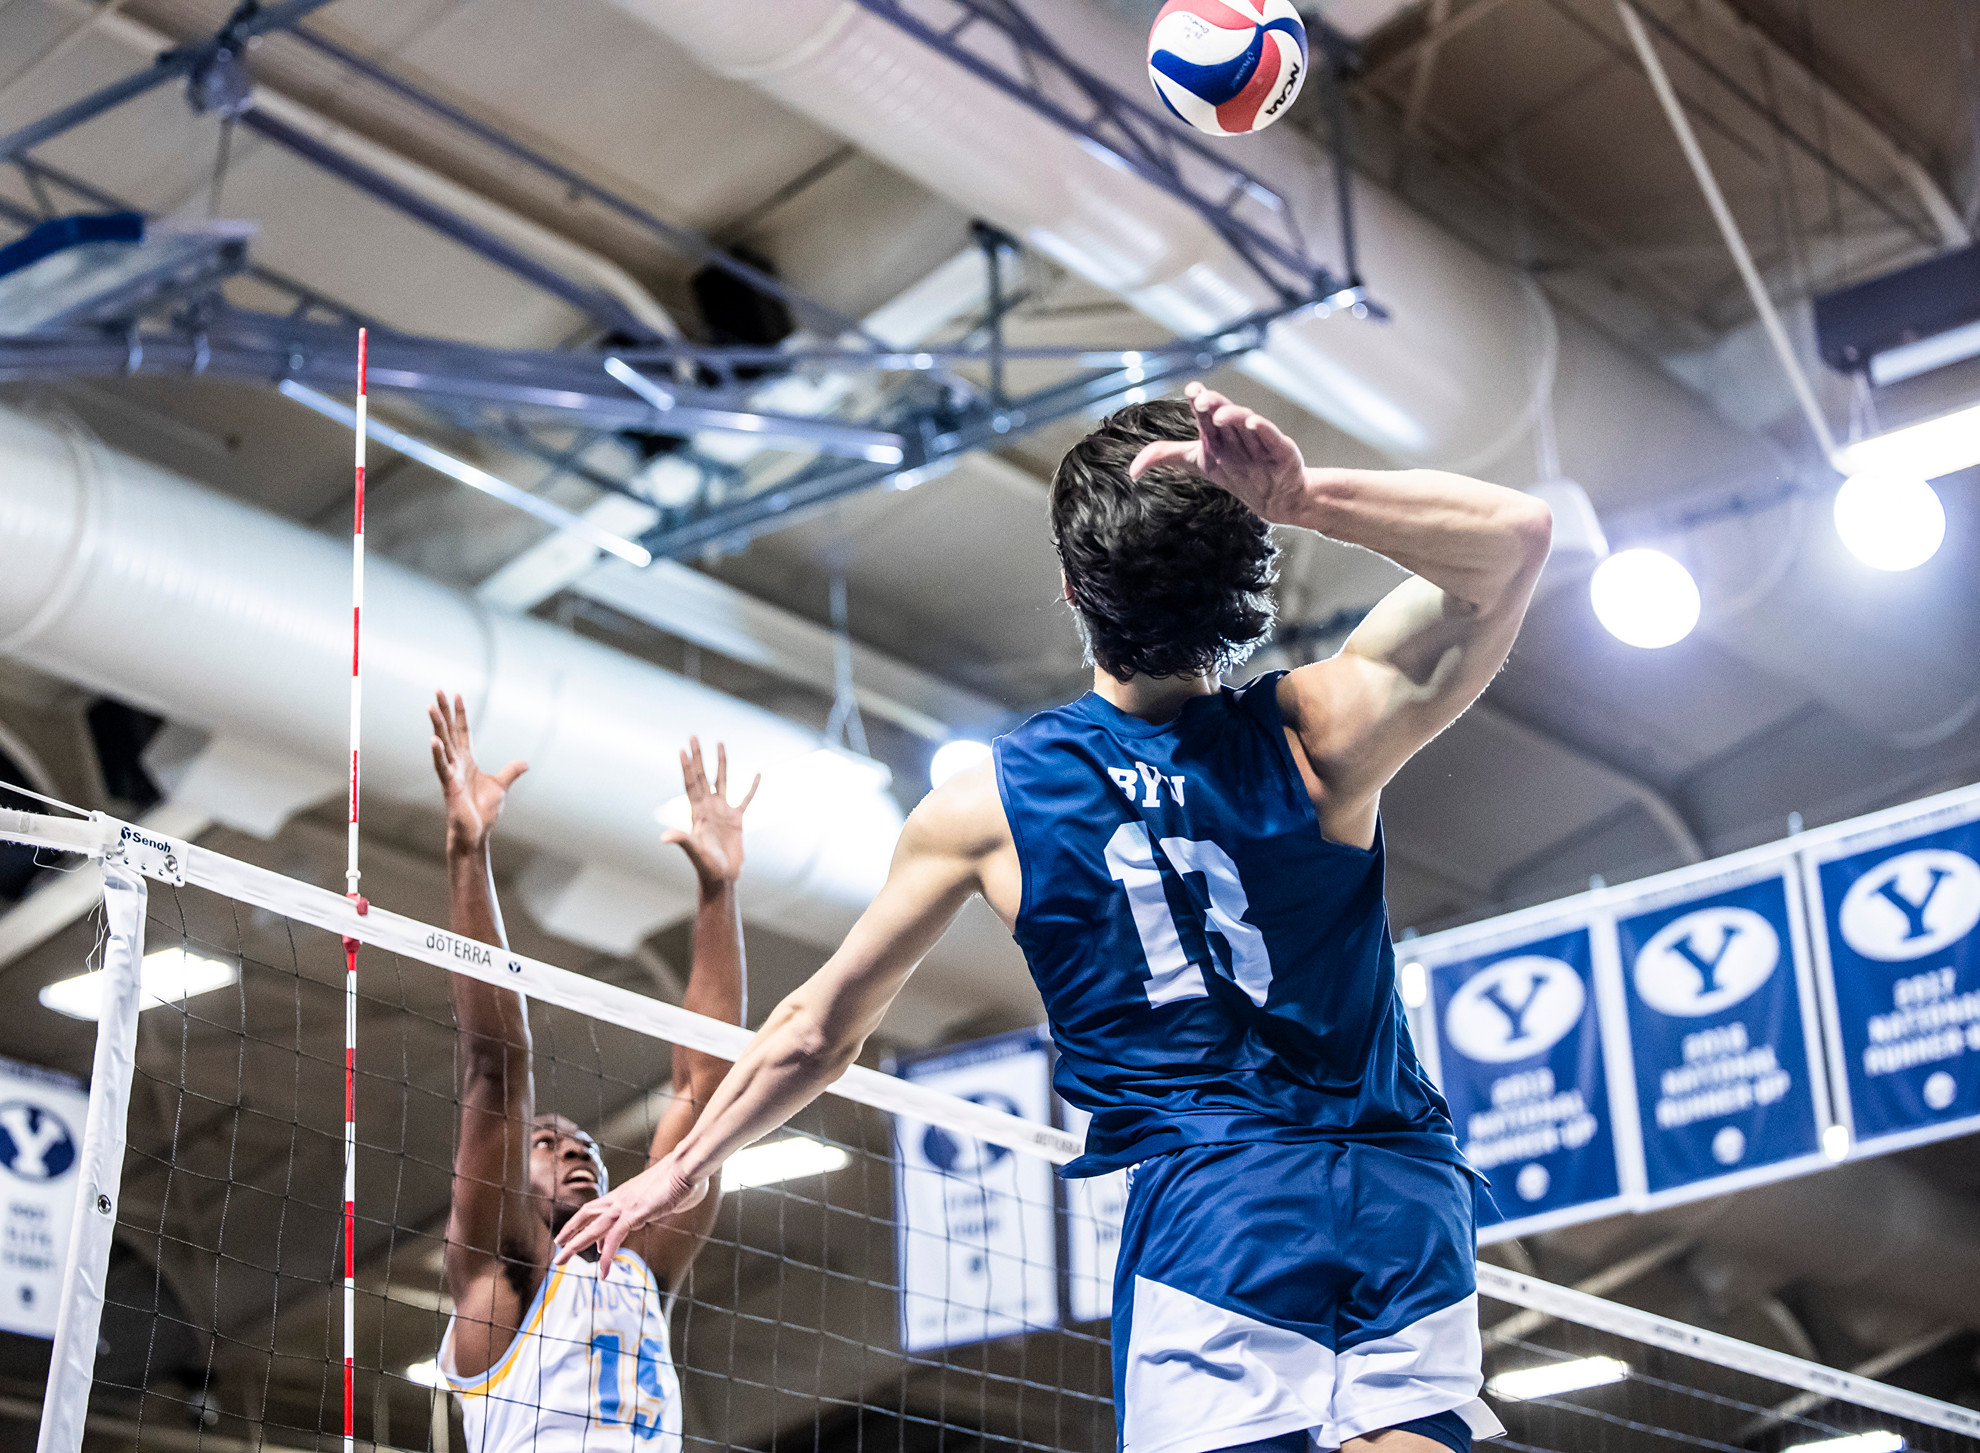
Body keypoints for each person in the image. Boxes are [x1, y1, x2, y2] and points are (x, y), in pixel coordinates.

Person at [556, 384, 1554, 1453]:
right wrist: (1305, 496)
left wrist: (685, 1162)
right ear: (1240, 581)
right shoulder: (1323, 732)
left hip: (1218, 1210)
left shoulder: (991, 806)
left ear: (1073, 589)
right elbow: (1517, 536)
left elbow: (815, 1029)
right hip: (1402, 1189)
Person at [427, 691, 757, 1451]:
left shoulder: (641, 1269)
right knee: (509, 1074)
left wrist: (719, 890)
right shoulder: (499, 1277)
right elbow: (497, 1066)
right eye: (547, 1143)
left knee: (719, 1115)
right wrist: (466, 854)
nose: (577, 1149)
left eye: (587, 1146)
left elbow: (705, 1085)